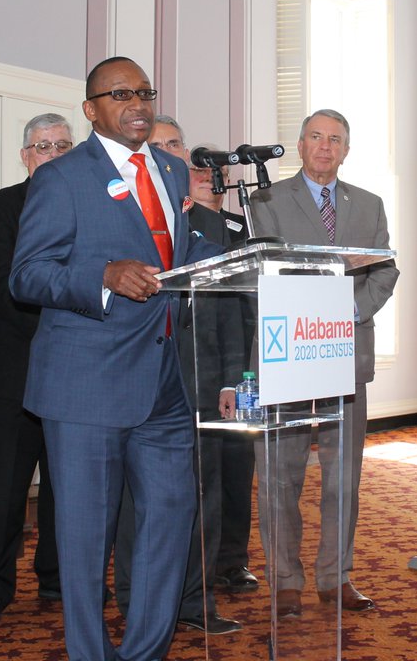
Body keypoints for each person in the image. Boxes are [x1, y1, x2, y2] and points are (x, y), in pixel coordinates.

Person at [9, 57, 222, 661]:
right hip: (86, 385)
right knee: (85, 541)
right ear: (91, 109)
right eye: (120, 93)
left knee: (170, 521)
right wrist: (102, 275)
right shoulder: (63, 178)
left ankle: (144, 652)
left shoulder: (175, 173)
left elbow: (178, 252)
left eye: (145, 93)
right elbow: (27, 275)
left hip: (164, 381)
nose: (137, 104)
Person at [247, 108, 399, 617]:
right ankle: (285, 581)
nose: (325, 147)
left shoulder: (370, 205)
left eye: (335, 139)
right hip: (288, 352)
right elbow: (265, 270)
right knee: (279, 477)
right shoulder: (265, 200)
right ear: (300, 143)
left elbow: (384, 270)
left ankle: (336, 577)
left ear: (346, 150)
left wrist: (353, 310)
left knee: (343, 477)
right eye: (316, 137)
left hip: (347, 354)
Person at [112, 115, 243, 635]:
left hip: (202, 382)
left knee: (203, 498)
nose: (169, 154)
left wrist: (233, 379)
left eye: (176, 146)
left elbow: (232, 312)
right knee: (138, 504)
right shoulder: (124, 217)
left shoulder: (213, 227)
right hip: (138, 382)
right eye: (159, 146)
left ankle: (196, 602)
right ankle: (137, 605)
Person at [0, 113, 73, 624]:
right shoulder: (1, 206)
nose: (52, 154)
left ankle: (55, 578)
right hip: (14, 370)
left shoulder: (89, 206)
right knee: (3, 488)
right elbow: (4, 288)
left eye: (62, 145)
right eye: (42, 146)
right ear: (26, 155)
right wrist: (67, 328)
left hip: (74, 372)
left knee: (65, 485)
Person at [187, 144, 258, 594]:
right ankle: (201, 566)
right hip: (201, 362)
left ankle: (233, 559)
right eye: (197, 169)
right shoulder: (184, 225)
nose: (207, 175)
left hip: (249, 357)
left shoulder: (242, 224)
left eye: (214, 169)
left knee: (238, 466)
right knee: (203, 473)